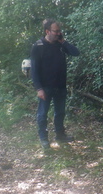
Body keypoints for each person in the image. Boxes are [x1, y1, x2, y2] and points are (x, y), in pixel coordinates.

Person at [30, 19, 80, 152]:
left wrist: (63, 42)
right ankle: (44, 139)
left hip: (60, 85)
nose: (58, 33)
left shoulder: (60, 44)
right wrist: (39, 88)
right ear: (47, 31)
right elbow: (34, 70)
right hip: (45, 87)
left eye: (59, 31)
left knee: (60, 112)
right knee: (42, 114)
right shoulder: (38, 46)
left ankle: (60, 135)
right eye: (56, 31)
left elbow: (76, 53)